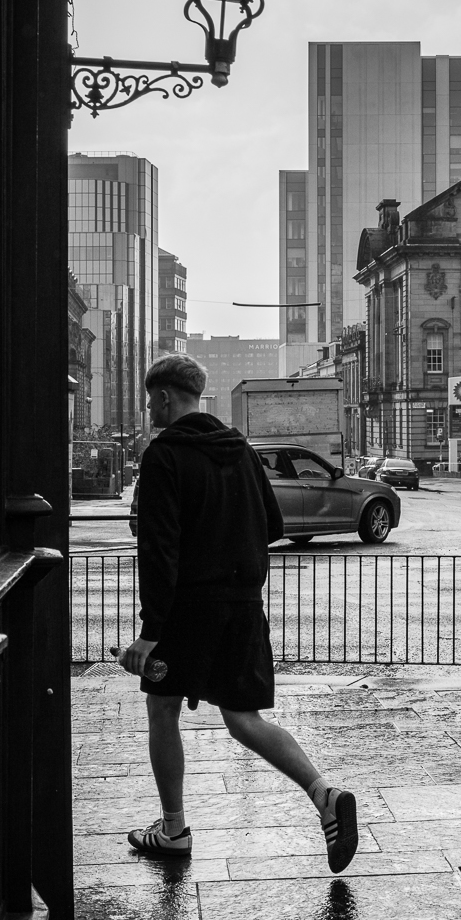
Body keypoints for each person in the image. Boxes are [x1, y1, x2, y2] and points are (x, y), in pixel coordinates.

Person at [117, 353, 358, 871]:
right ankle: (324, 794)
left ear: (164, 397)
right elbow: (273, 524)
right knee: (244, 718)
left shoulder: (163, 456)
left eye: (151, 401)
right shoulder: (242, 450)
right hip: (244, 606)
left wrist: (150, 632)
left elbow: (159, 550)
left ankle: (173, 829)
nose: (150, 411)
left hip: (186, 610)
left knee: (162, 710)